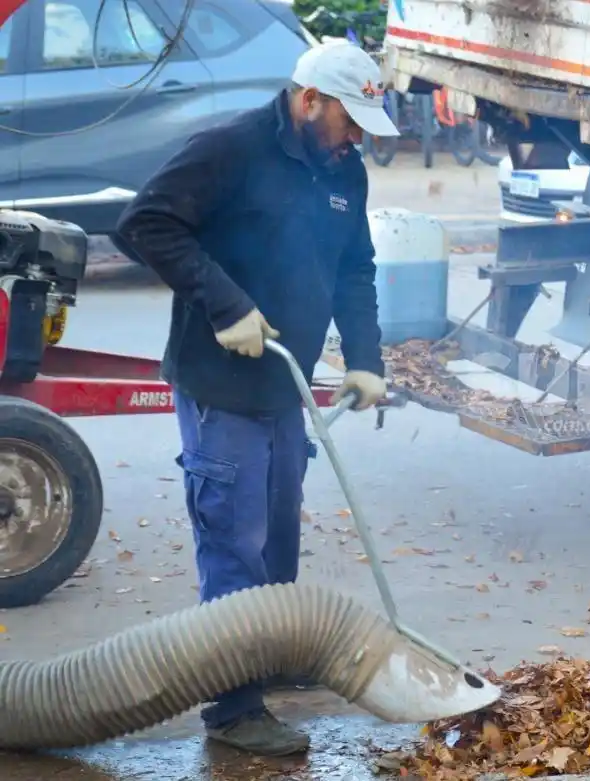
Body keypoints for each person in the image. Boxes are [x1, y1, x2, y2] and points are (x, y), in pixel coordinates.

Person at [114, 43, 400, 755]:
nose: (359, 135)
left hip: (284, 388)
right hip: (222, 386)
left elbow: (355, 268)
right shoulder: (231, 149)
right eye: (349, 119)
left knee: (277, 543)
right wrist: (224, 305)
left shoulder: (344, 168)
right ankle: (234, 709)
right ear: (309, 101)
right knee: (234, 545)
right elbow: (146, 224)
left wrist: (365, 359)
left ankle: (266, 657)